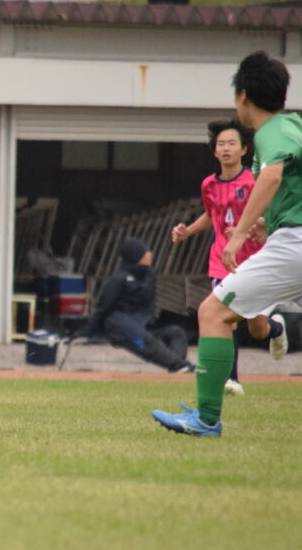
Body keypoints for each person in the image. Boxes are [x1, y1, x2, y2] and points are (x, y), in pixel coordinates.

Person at [154, 51, 299, 437]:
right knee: (238, 319)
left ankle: (206, 418)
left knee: (213, 313)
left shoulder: (271, 133)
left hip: (295, 246)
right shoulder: (294, 125)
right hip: (289, 238)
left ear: (243, 96)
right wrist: (269, 220)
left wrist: (239, 232)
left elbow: (270, 178)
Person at [170, 119, 286, 396]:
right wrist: (188, 231)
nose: (226, 148)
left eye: (232, 143)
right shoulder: (209, 184)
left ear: (244, 149)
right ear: (214, 151)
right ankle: (231, 380)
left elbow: (270, 215)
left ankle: (275, 329)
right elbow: (212, 215)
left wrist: (248, 227)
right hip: (222, 262)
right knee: (225, 319)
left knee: (256, 328)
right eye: (221, 144)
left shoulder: (255, 181)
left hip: (254, 260)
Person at [82, 237, 195, 373]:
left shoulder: (149, 276)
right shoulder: (118, 279)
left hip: (143, 323)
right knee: (142, 338)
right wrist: (88, 332)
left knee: (176, 332)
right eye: (145, 255)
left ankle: (177, 366)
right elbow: (103, 307)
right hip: (120, 325)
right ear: (136, 256)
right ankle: (180, 365)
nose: (149, 256)